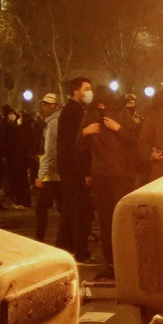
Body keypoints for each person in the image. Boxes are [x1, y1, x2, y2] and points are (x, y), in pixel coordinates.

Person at [82, 95, 138, 279]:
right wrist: (84, 133)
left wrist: (119, 128)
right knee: (105, 223)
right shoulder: (90, 116)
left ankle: (127, 263)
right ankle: (112, 264)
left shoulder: (122, 114)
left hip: (122, 177)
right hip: (101, 176)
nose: (101, 106)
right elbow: (78, 147)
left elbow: (134, 140)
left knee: (122, 221)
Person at [56, 77, 94, 263]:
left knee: (70, 210)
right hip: (74, 169)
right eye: (86, 89)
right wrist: (85, 171)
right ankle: (80, 250)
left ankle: (64, 246)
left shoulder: (72, 110)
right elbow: (73, 144)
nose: (89, 92)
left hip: (68, 168)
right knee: (80, 211)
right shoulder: (75, 112)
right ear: (76, 91)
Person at [33, 94, 63, 243]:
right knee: (63, 208)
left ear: (55, 106)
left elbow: (50, 151)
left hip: (52, 174)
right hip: (57, 173)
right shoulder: (54, 121)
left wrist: (41, 175)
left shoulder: (53, 123)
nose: (43, 107)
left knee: (41, 208)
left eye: (47, 104)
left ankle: (39, 239)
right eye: (43, 104)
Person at [1, 106, 33, 208]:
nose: (12, 116)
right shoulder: (13, 128)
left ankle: (23, 201)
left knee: (20, 180)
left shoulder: (20, 129)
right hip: (15, 157)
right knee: (17, 180)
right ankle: (19, 200)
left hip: (19, 158)